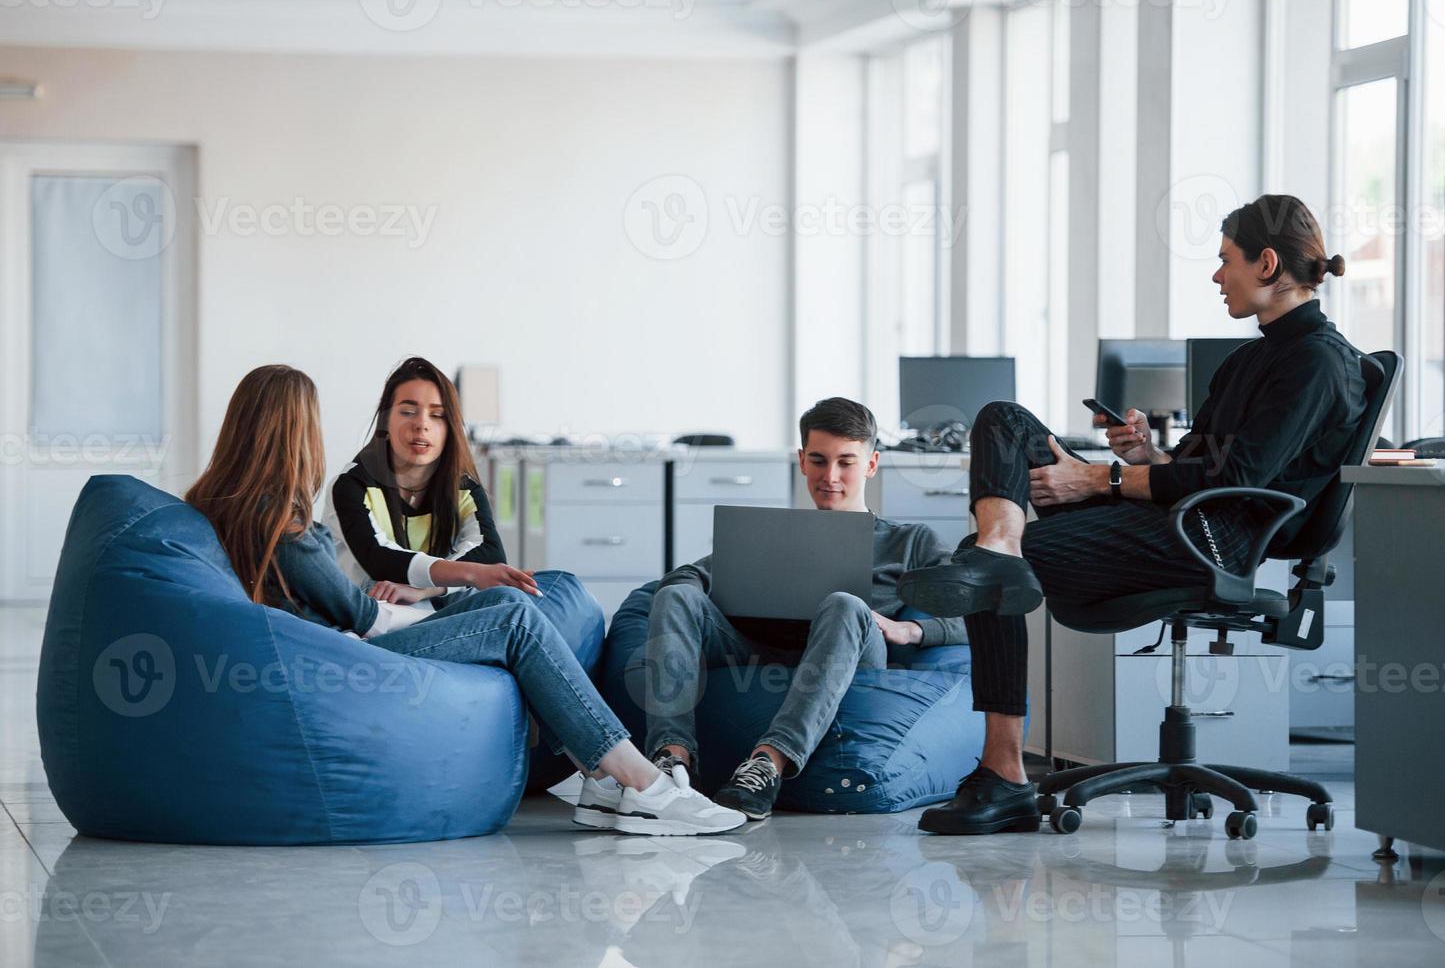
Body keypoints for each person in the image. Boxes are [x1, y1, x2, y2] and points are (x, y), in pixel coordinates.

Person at [898, 193, 1367, 835]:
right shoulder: (1250, 358)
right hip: (1182, 520)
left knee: (991, 568)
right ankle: (998, 548)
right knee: (1000, 419)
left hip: (1213, 541)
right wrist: (1143, 452)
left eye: (1224, 260)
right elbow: (1202, 464)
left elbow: (1235, 480)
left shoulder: (1316, 360)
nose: (1215, 275)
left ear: (1265, 264)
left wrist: (1100, 476)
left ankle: (1004, 770)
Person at [186, 364, 745, 836]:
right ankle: (641, 782)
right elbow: (358, 613)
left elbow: (475, 562)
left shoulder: (223, 503)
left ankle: (602, 780)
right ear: (294, 434)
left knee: (517, 607)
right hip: (351, 656)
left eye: (434, 415)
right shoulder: (286, 522)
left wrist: (433, 593)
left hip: (339, 645)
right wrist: (434, 603)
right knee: (516, 619)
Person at [643, 397, 968, 820]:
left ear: (871, 465)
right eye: (818, 461)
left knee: (845, 604)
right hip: (761, 648)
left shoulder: (910, 541)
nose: (830, 476)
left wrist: (909, 631)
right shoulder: (779, 535)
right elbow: (684, 577)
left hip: (853, 655)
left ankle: (768, 764)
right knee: (674, 595)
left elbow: (971, 610)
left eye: (845, 462)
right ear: (801, 461)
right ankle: (672, 761)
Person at [330, 356, 538, 607]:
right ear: (386, 421)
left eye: (437, 415)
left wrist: (427, 590)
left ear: (450, 428)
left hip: (432, 612)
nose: (422, 424)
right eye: (407, 412)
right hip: (372, 621)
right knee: (518, 612)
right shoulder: (350, 485)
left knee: (560, 583)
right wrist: (472, 574)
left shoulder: (463, 487)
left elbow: (489, 554)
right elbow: (380, 559)